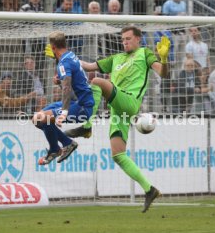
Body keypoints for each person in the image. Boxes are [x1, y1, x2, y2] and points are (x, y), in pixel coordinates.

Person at [65, 26, 170, 213]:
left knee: (97, 82)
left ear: (138, 39)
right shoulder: (116, 59)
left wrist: (163, 58)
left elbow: (162, 73)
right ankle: (149, 190)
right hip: (117, 109)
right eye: (123, 39)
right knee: (118, 155)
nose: (125, 42)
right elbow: (89, 66)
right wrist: (64, 57)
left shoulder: (144, 53)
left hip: (129, 102)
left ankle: (87, 126)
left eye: (128, 38)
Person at [32, 31, 97, 165]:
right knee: (37, 119)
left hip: (83, 107)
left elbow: (67, 87)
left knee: (42, 118)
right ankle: (66, 143)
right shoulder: (70, 55)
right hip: (76, 101)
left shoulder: (64, 63)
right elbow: (70, 86)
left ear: (53, 47)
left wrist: (64, 111)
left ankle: (55, 149)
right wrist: (59, 82)